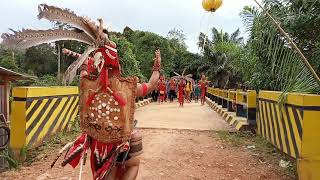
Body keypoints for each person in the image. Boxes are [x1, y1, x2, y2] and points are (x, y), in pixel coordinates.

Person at [3, 4, 162, 180]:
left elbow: (85, 71)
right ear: (117, 63)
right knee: (134, 155)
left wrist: (84, 62)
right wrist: (156, 66)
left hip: (97, 140)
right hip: (120, 140)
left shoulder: (86, 85)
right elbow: (152, 84)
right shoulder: (129, 88)